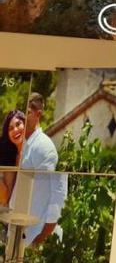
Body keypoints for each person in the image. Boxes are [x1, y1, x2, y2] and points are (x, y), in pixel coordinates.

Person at [19, 92, 68, 247]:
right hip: (14, 229)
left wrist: (42, 237)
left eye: (27, 113)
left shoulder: (44, 147)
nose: (22, 118)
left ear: (38, 114)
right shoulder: (21, 142)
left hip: (30, 235)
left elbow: (57, 195)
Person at [0, 110, 25, 206]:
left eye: (18, 124)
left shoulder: (34, 150)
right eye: (10, 129)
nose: (15, 130)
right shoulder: (10, 156)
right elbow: (5, 199)